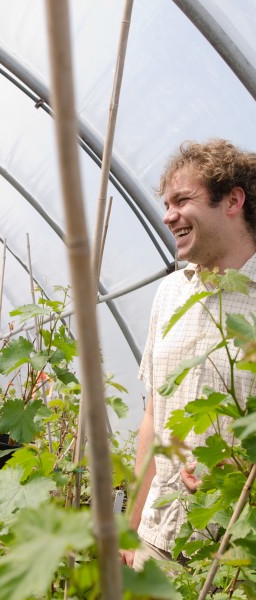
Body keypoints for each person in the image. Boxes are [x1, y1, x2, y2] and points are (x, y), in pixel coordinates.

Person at [121, 139, 256, 569]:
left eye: (183, 200)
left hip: (237, 555)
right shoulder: (171, 294)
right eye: (165, 203)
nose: (167, 215)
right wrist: (132, 521)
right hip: (157, 538)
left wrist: (234, 473)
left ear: (233, 200)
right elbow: (152, 416)